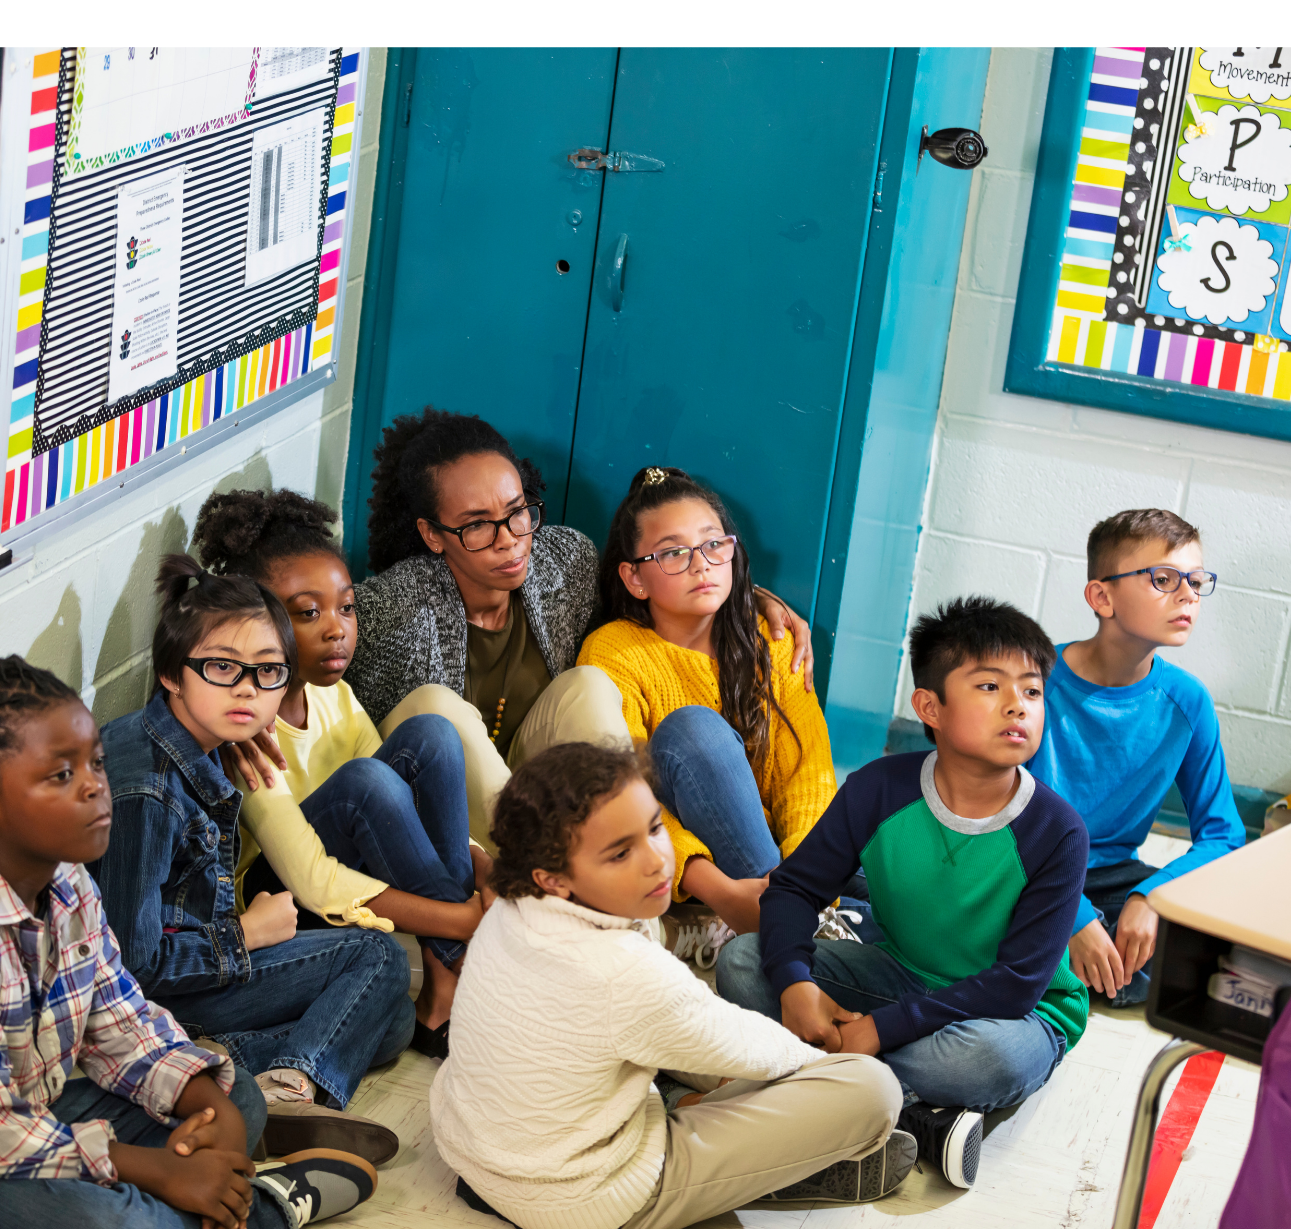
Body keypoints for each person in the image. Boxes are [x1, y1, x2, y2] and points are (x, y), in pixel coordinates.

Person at [0, 653, 378, 1229]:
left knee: (236, 1098)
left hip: (28, 1104)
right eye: (61, 776)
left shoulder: (65, 880)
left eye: (93, 763)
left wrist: (204, 1102)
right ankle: (259, 1212)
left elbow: (120, 1021)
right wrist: (162, 1169)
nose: (96, 787)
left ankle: (189, 1206)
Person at [430, 741, 910, 1229]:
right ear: (553, 878)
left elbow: (689, 1026)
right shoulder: (624, 972)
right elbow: (753, 1048)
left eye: (656, 828)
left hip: (472, 1158)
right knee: (872, 1090)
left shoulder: (510, 907)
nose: (658, 861)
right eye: (620, 853)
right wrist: (826, 1058)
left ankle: (697, 1102)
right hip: (577, 1200)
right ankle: (765, 1163)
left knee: (696, 1041)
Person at [716, 598, 1090, 1191]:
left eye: (1033, 691)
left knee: (985, 1062)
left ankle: (814, 1081)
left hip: (1015, 1014)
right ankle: (914, 1112)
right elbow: (794, 889)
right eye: (990, 686)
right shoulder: (880, 788)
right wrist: (796, 985)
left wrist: (881, 1029)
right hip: (902, 972)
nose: (1018, 704)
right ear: (929, 707)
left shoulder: (1057, 829)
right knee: (741, 961)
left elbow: (1017, 983)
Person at [345, 408, 817, 853]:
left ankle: (629, 901)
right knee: (436, 709)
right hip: (439, 809)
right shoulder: (395, 611)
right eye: (477, 527)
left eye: (517, 511)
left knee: (589, 684)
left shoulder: (563, 562)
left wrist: (745, 598)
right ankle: (534, 877)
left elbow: (653, 590)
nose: (509, 538)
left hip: (539, 783)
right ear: (432, 535)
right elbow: (320, 665)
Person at [90, 560, 411, 1164]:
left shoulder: (194, 738)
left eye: (267, 673)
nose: (246, 689)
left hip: (191, 991)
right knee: (376, 958)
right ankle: (285, 1087)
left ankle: (218, 1062)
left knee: (390, 1021)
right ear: (170, 674)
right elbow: (133, 965)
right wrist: (247, 933)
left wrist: (235, 731)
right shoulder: (148, 793)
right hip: (154, 998)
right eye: (221, 668)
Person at [194, 487, 491, 1059]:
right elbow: (311, 881)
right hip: (277, 901)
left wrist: (484, 863)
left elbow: (406, 806)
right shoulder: (243, 729)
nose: (337, 629)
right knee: (363, 785)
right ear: (257, 621)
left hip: (343, 875)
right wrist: (461, 917)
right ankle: (460, 960)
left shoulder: (337, 698)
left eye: (346, 608)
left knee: (431, 734)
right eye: (309, 613)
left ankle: (445, 980)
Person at [578, 466, 837, 951]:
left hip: (782, 873)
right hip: (686, 875)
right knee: (695, 729)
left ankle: (800, 920)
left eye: (713, 545)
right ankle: (802, 932)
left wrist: (807, 879)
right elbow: (625, 797)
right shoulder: (614, 652)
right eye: (673, 552)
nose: (701, 564)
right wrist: (711, 884)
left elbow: (809, 777)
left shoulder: (773, 642)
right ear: (634, 577)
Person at [1030, 509, 1243, 1008]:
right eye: (1164, 579)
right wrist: (1074, 919)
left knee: (1211, 967)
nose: (1188, 594)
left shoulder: (1186, 702)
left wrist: (1152, 896)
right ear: (1102, 597)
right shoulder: (1034, 684)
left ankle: (1064, 969)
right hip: (1023, 868)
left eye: (1196, 581)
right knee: (992, 933)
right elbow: (999, 819)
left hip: (1111, 877)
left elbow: (1224, 834)